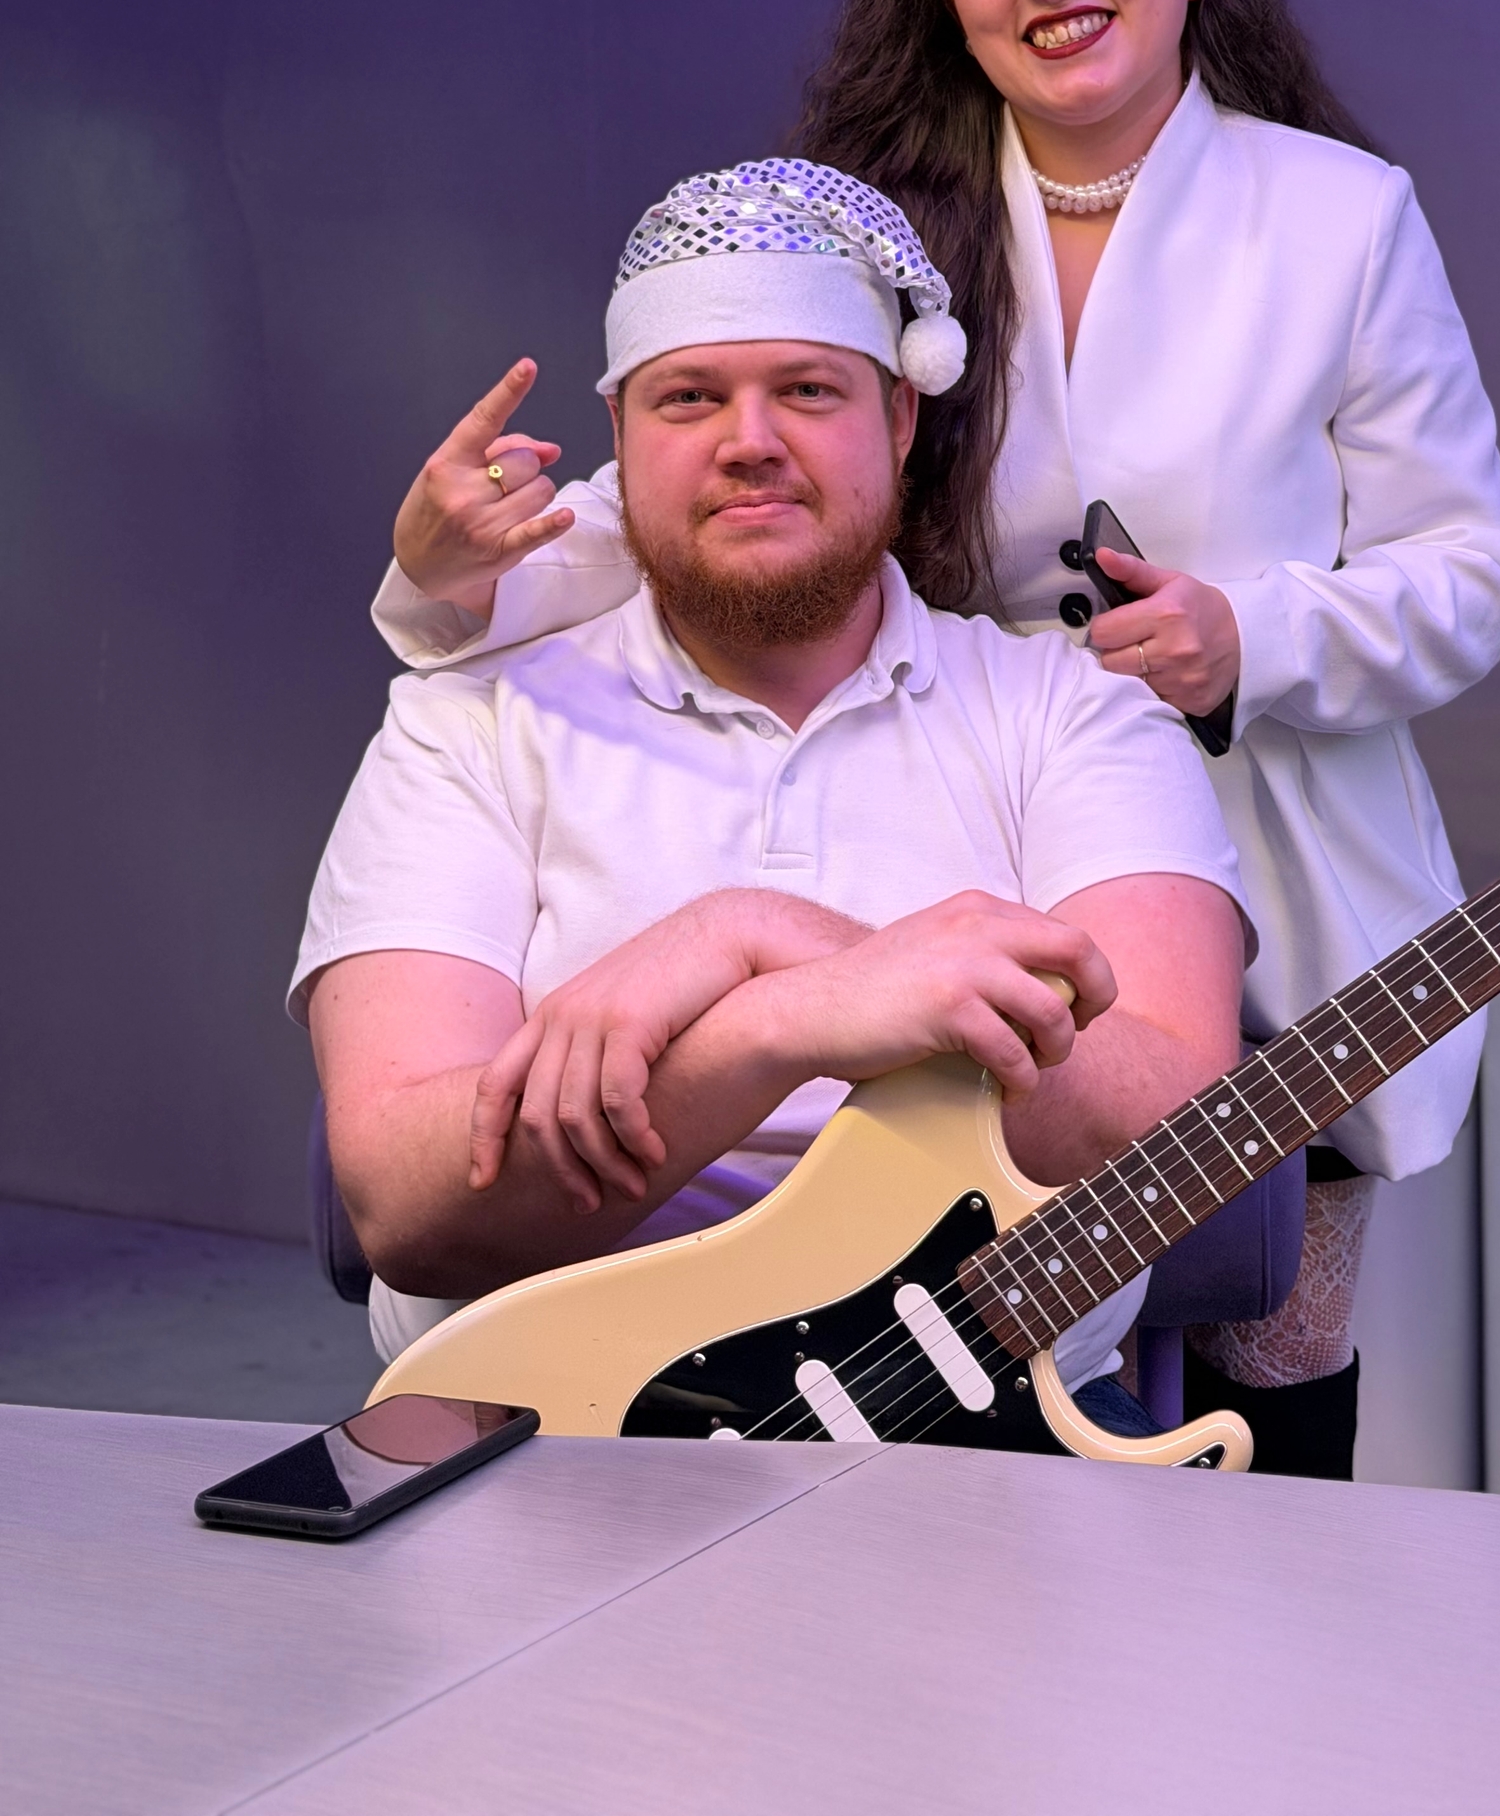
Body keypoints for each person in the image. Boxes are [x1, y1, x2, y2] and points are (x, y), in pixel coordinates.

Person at [374, 0, 1500, 1473]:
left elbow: (1478, 562)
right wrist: (454, 570)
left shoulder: (1341, 218)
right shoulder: (884, 209)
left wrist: (1258, 639)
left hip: (1276, 855)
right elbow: (726, 488)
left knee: (1269, 1364)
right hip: (964, 849)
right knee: (935, 1343)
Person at [299, 157, 1251, 1433]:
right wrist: (772, 1017)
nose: (750, 441)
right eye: (689, 396)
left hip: (990, 1431)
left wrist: (780, 942)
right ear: (620, 439)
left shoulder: (1076, 713)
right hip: (548, 1423)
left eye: (807, 389)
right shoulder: (466, 721)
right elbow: (407, 1203)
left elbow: (1181, 1135)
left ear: (900, 418)